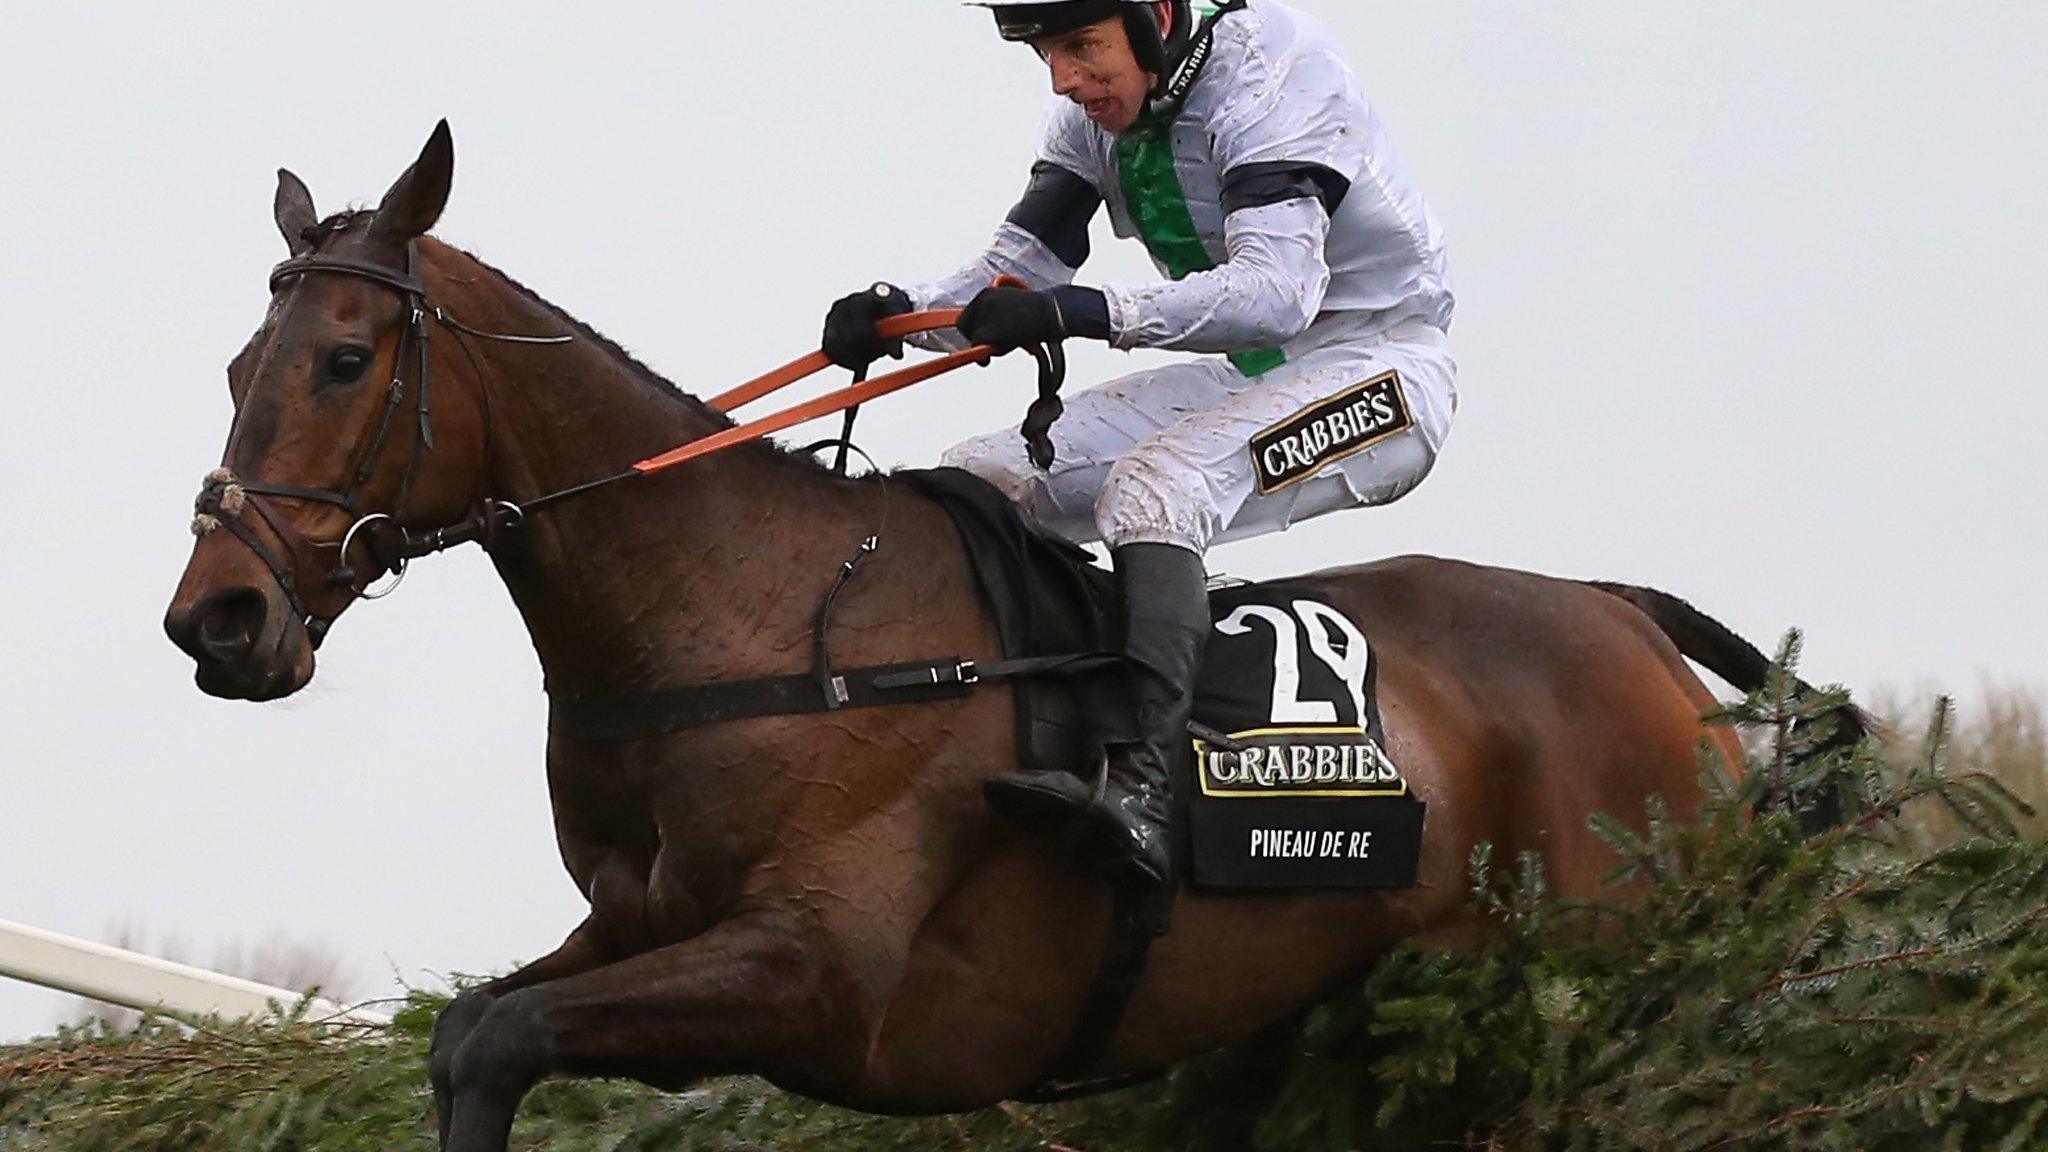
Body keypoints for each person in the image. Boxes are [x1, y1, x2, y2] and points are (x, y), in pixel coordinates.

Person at [821, 0, 1456, 892]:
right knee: (981, 480)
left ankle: (1143, 785)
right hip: (1250, 369)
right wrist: (898, 312)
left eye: (1081, 47)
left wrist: (1085, 313)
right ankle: (1021, 726)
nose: (1063, 80)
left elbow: (1278, 295)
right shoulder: (1092, 118)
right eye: (1047, 54)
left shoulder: (1269, 76)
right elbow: (1020, 275)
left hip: (1378, 365)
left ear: (1157, 16)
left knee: (1155, 493)